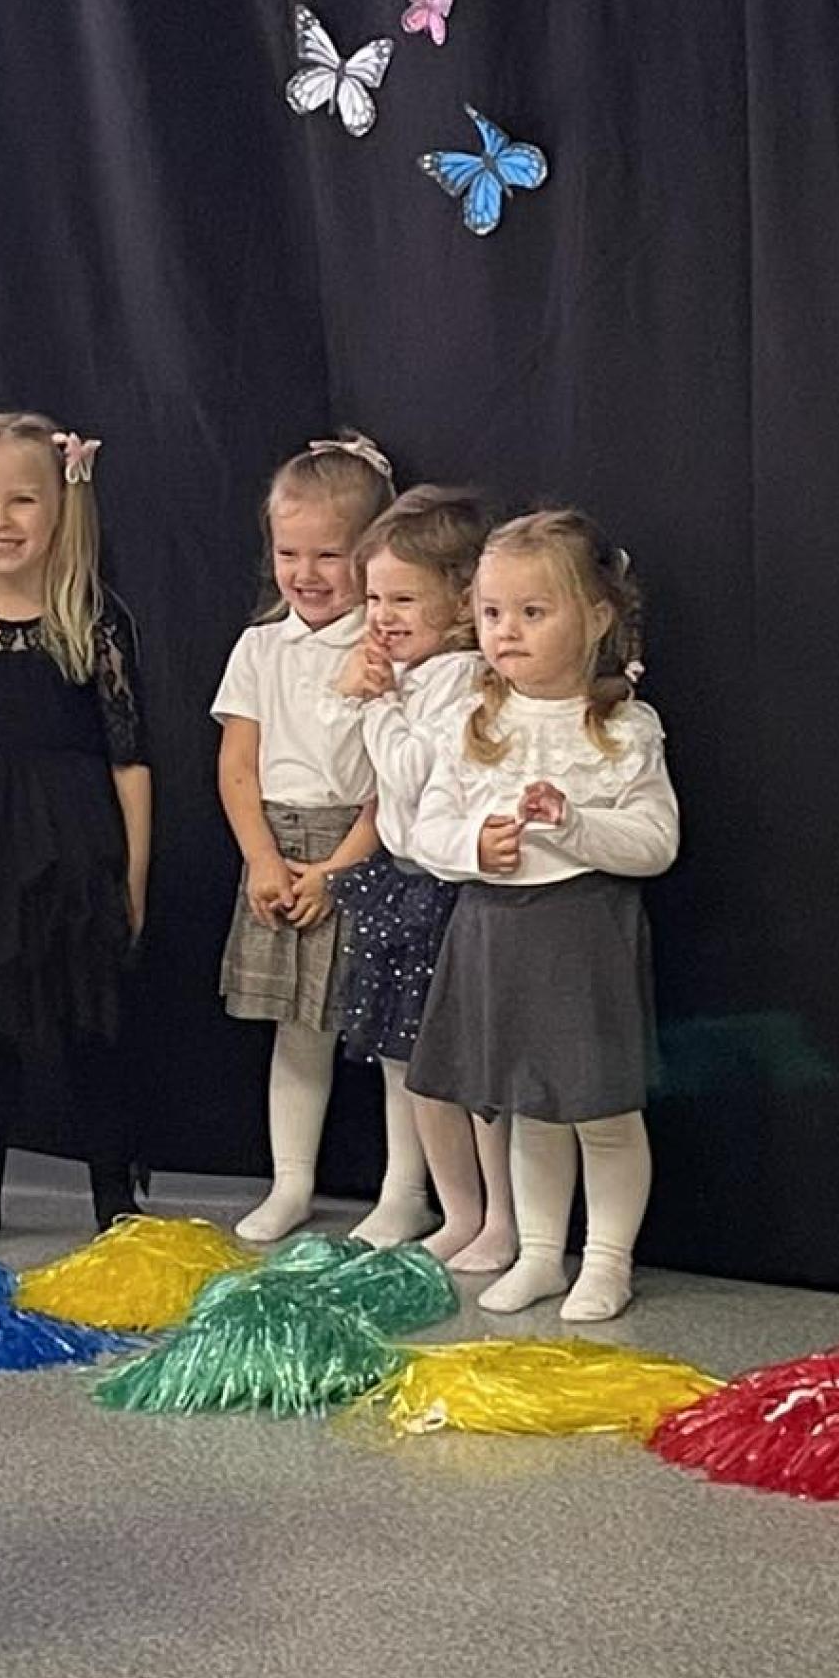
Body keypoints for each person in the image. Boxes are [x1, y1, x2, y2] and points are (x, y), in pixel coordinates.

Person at [405, 511, 678, 1322]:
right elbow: (426, 827)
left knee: (602, 1111)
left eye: (533, 612)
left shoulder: (624, 728)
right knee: (529, 1107)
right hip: (494, 931)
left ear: (595, 617)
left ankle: (608, 1260)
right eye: (492, 612)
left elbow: (657, 842)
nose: (507, 631)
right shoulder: (474, 719)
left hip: (583, 934)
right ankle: (538, 1252)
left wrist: (576, 826)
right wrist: (473, 845)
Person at [0, 411, 150, 1248]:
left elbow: (130, 761)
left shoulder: (95, 622)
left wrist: (134, 877)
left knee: (93, 1027)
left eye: (21, 500)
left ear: (61, 504)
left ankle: (115, 1199)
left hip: (75, 848)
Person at [213, 435, 393, 1243]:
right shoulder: (260, 646)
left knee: (393, 1032)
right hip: (277, 850)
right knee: (298, 1028)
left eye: (329, 554)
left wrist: (337, 870)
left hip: (362, 847)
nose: (307, 573)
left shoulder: (387, 649)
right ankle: (291, 1182)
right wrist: (262, 859)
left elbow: (394, 784)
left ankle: (404, 1191)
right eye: (290, 553)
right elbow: (237, 765)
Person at [332, 485, 515, 1271]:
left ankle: (502, 1216)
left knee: (471, 1070)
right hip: (401, 882)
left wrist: (376, 706)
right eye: (374, 597)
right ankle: (457, 1209)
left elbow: (412, 773)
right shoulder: (406, 676)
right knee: (415, 1066)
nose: (382, 615)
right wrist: (365, 698)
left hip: (449, 891)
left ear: (463, 600)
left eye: (403, 598)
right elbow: (356, 779)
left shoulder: (465, 678)